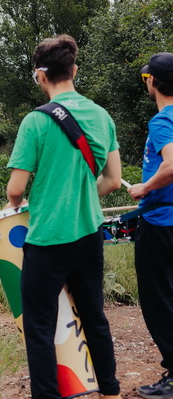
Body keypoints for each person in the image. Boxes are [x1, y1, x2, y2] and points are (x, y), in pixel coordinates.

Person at [5, 34, 122, 399]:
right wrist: (80, 195)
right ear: (74, 70)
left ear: (40, 76)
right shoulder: (101, 116)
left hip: (47, 239)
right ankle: (111, 392)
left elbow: (15, 189)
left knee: (40, 326)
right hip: (89, 233)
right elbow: (113, 180)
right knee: (94, 317)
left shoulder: (35, 122)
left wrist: (22, 202)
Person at [128, 52, 173, 399]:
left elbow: (171, 165)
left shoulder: (162, 121)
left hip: (161, 223)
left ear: (153, 82)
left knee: (160, 300)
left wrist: (144, 187)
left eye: (146, 78)